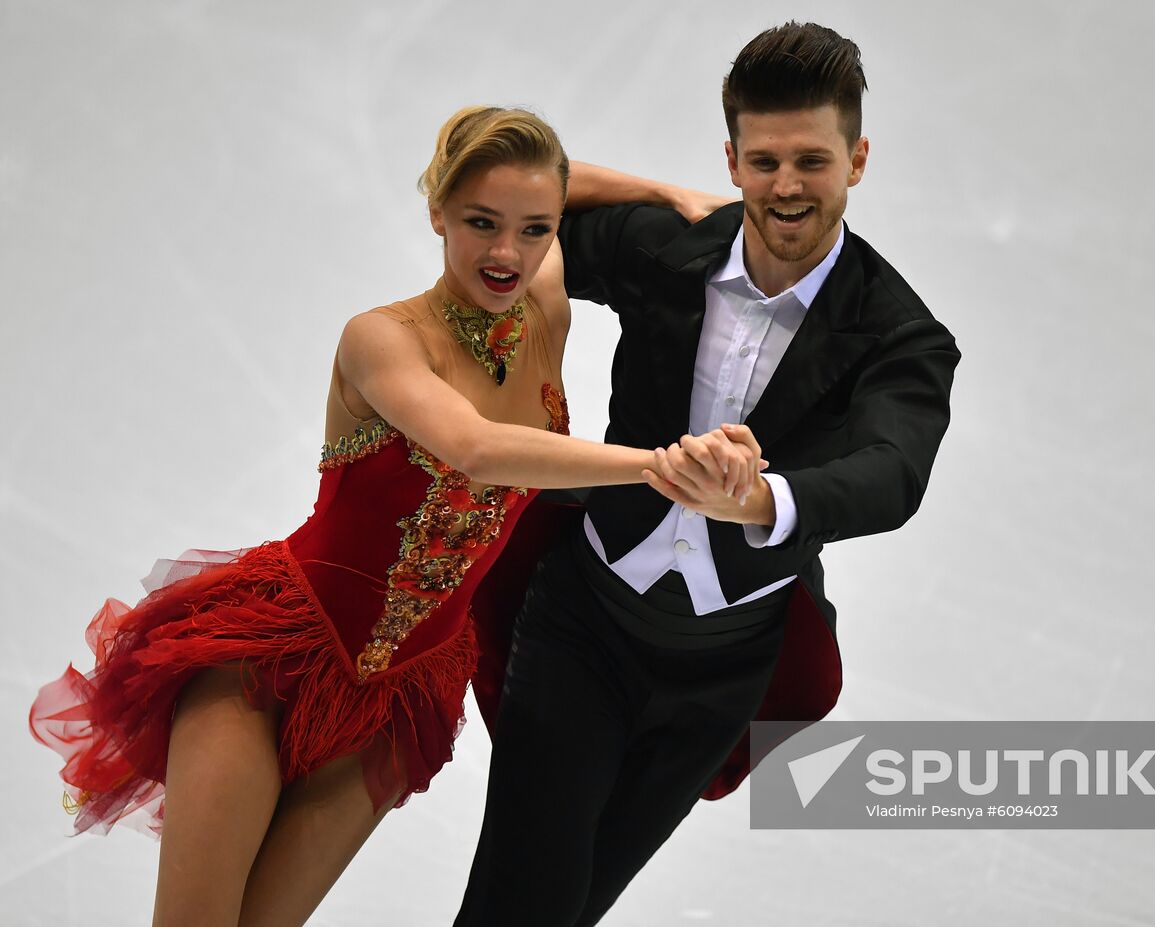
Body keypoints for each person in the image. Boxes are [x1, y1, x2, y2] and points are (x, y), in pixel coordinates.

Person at [28, 105, 755, 927]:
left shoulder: (543, 315)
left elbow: (556, 185)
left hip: (394, 702)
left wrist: (660, 188)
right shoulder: (381, 339)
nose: (507, 254)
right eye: (480, 223)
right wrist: (661, 467)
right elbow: (476, 447)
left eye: (534, 230)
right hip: (270, 661)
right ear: (436, 210)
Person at [457, 22, 961, 926]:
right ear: (729, 159)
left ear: (859, 160)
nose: (789, 186)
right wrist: (650, 189)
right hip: (582, 623)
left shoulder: (897, 331)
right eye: (764, 160)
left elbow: (893, 470)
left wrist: (759, 498)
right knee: (516, 903)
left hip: (722, 671)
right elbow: (501, 200)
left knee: (573, 906)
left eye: (813, 159)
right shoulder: (667, 248)